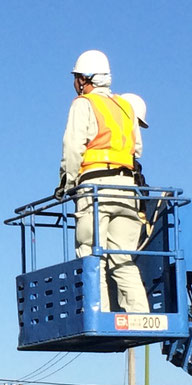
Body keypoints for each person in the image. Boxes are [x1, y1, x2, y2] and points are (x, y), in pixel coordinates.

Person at [59, 50, 149, 315]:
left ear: (86, 79)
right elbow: (137, 150)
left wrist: (66, 184)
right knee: (122, 258)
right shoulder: (125, 106)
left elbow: (73, 148)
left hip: (95, 187)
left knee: (90, 253)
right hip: (127, 190)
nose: (75, 83)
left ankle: (99, 314)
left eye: (76, 78)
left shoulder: (83, 104)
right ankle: (140, 315)